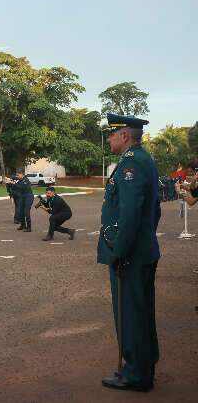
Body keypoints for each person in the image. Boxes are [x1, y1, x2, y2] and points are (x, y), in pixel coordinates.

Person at [97, 113, 161, 392]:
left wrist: (120, 250)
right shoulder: (141, 159)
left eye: (111, 134)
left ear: (124, 136)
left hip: (130, 254)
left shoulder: (131, 164)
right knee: (141, 311)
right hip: (142, 249)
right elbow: (153, 211)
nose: (108, 139)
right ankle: (143, 365)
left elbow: (131, 212)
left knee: (131, 314)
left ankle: (136, 374)